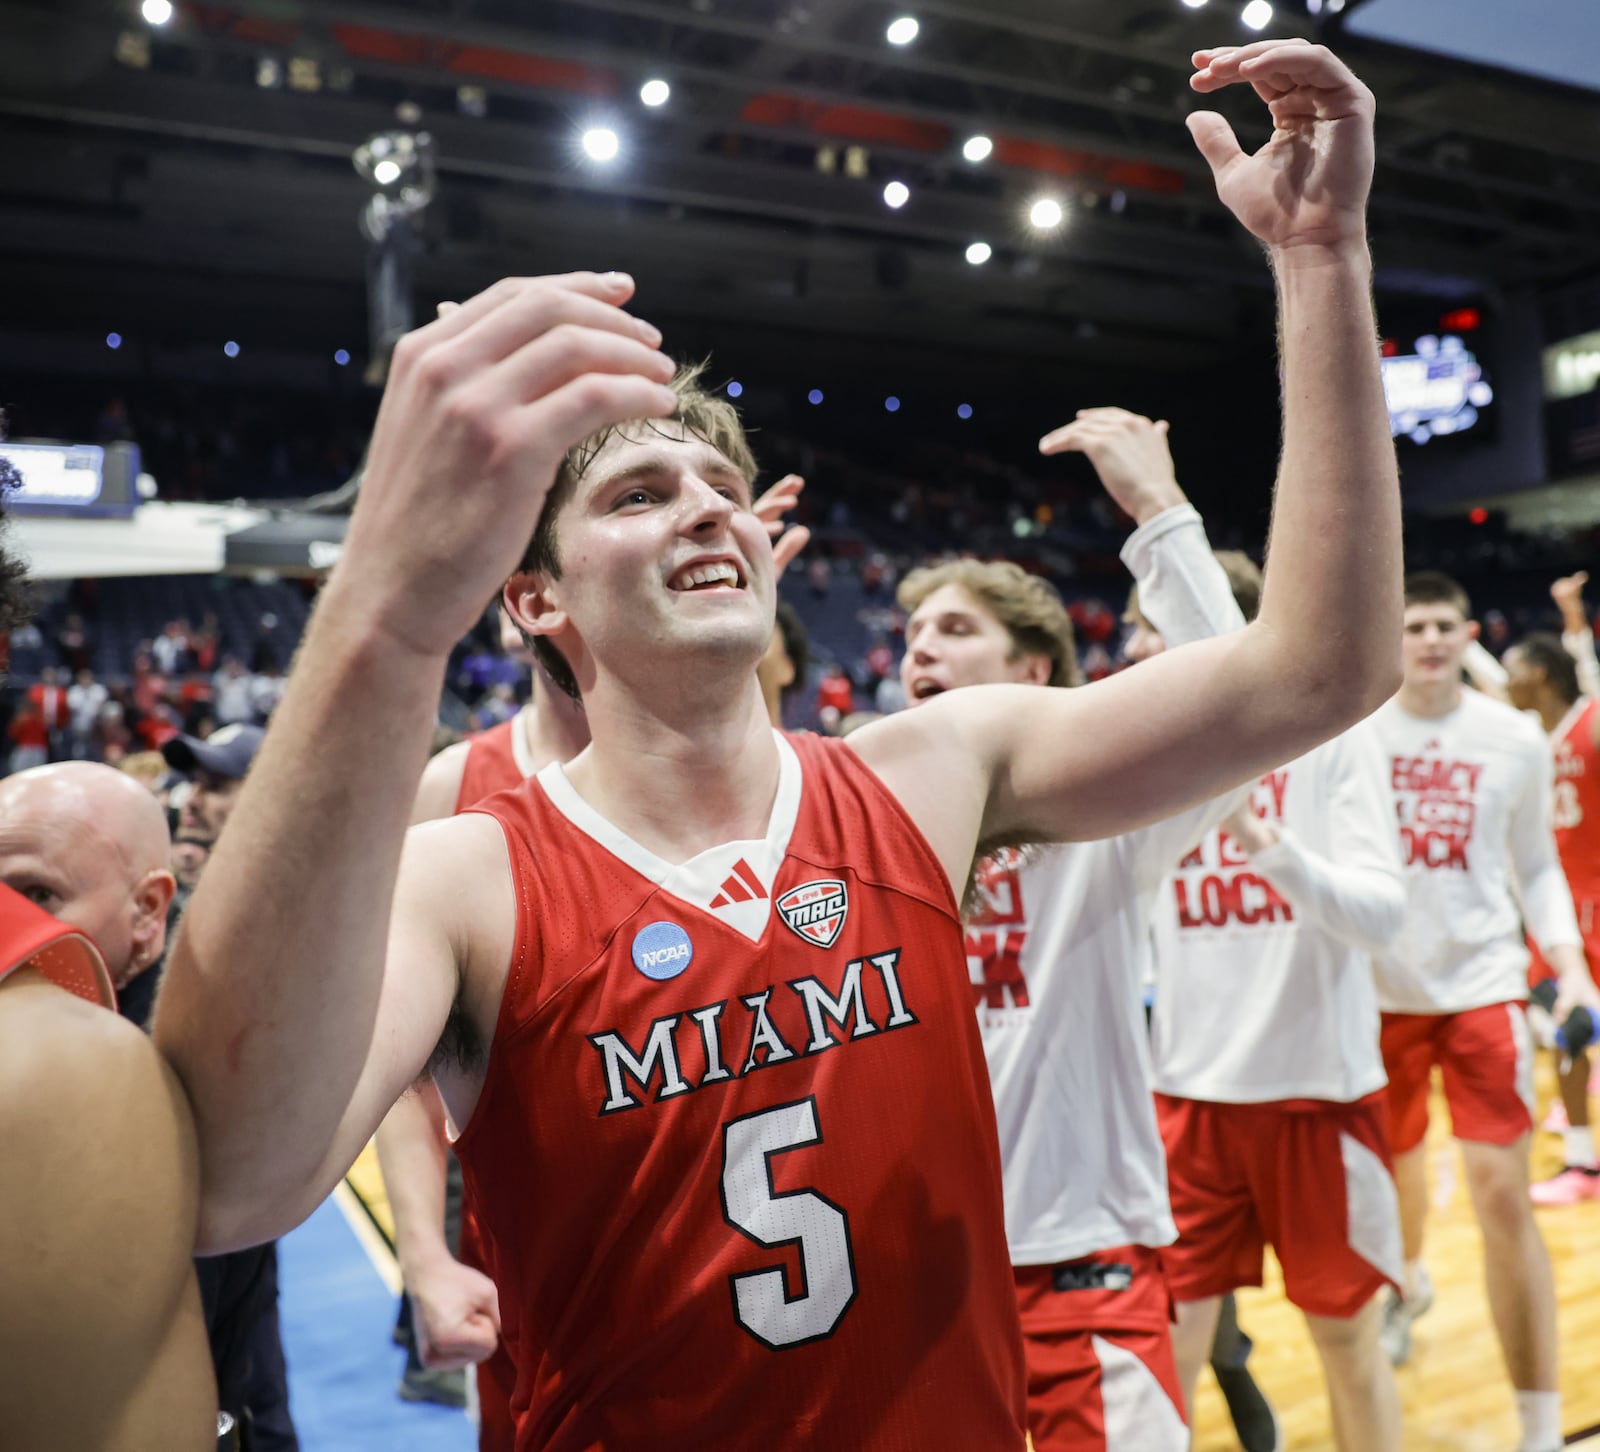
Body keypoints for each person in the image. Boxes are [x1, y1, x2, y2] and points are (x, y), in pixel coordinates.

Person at [157, 40, 1402, 1450]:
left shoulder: (927, 772)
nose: (705, 508)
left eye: (723, 486)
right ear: (535, 597)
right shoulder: (467, 872)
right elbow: (234, 1185)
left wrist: (1322, 256)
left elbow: (1321, 669)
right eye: (640, 490)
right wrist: (382, 612)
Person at [896, 408, 1277, 1452]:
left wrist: (1157, 510)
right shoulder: (865, 817)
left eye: (956, 631)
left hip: (1077, 1265)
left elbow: (1237, 698)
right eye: (913, 638)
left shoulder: (1100, 820)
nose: (920, 652)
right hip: (911, 1285)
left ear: (1032, 675)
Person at [1147, 600, 1406, 1452]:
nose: (1141, 645)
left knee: (1346, 1342)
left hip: (1317, 1098)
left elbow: (1382, 916)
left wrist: (1262, 839)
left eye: (1159, 624)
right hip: (1186, 1098)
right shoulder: (1144, 754)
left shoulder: (1335, 737)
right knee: (1169, 1347)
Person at [1369, 572, 1599, 1452]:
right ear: (1392, 637)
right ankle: (1409, 1278)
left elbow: (1536, 864)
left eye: (1442, 625)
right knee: (1397, 1180)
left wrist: (1570, 968)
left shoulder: (1511, 737)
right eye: (1412, 625)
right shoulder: (1353, 732)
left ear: (1466, 634)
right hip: (1378, 990)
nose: (1428, 638)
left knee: (1504, 1196)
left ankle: (1543, 1429)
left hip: (1482, 985)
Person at [0, 767, 215, 1449]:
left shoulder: (216, 1025)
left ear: (149, 911)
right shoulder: (72, 1057)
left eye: (38, 894)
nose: (14, 919)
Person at [159, 722, 301, 1452]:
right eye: (193, 782)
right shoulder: (157, 915)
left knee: (248, 1389)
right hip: (170, 1223)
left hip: (236, 1214)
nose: (192, 800)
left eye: (217, 785)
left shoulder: (291, 915)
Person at [1503, 631, 1600, 1202]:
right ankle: (1583, 1165)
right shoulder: (1522, 739)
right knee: (1567, 1034)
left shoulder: (1592, 723)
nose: (1505, 680)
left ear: (1539, 673)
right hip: (1558, 912)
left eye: (1513, 666)